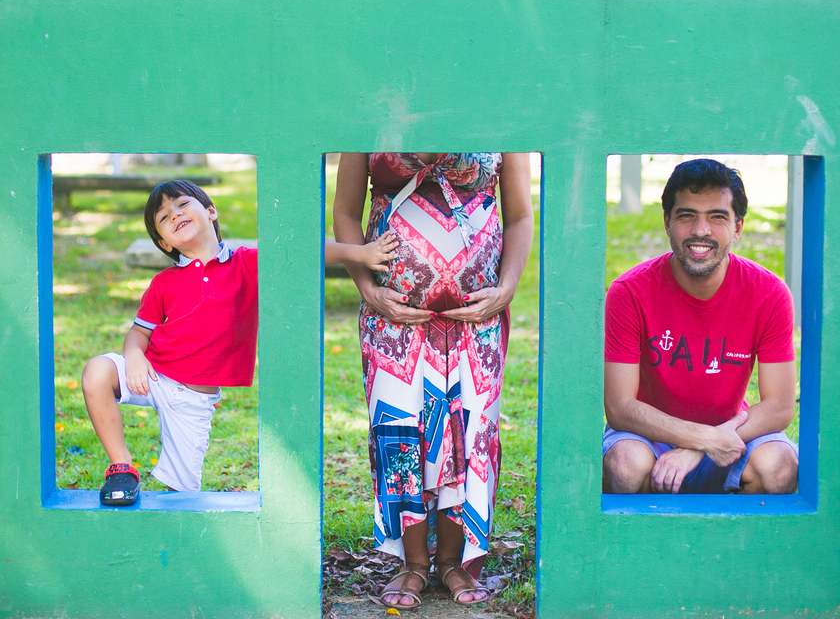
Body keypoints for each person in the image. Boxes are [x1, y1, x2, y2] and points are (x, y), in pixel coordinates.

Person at [82, 179, 396, 506]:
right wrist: (133, 357)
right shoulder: (164, 282)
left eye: (181, 205)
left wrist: (359, 252)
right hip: (153, 374)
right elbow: (139, 332)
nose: (174, 215)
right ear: (164, 242)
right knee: (97, 372)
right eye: (163, 218)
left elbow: (299, 253)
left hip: (192, 398)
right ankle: (121, 468)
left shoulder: (245, 262)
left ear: (210, 211)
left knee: (180, 493)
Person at [334, 153, 534, 607]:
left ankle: (452, 561)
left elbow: (520, 214)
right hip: (394, 315)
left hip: (475, 318)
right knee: (398, 433)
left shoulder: (499, 109)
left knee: (469, 434)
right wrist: (368, 290)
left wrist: (507, 287)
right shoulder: (375, 106)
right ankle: (413, 564)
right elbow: (345, 211)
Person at [602, 159, 799, 496]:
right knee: (624, 465)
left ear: (738, 227)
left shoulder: (769, 292)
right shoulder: (629, 292)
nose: (701, 230)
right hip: (650, 439)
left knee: (779, 466)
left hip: (734, 434)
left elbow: (780, 406)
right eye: (686, 215)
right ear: (667, 222)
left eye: (718, 217)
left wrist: (703, 445)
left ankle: (740, 548)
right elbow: (620, 408)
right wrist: (703, 439)